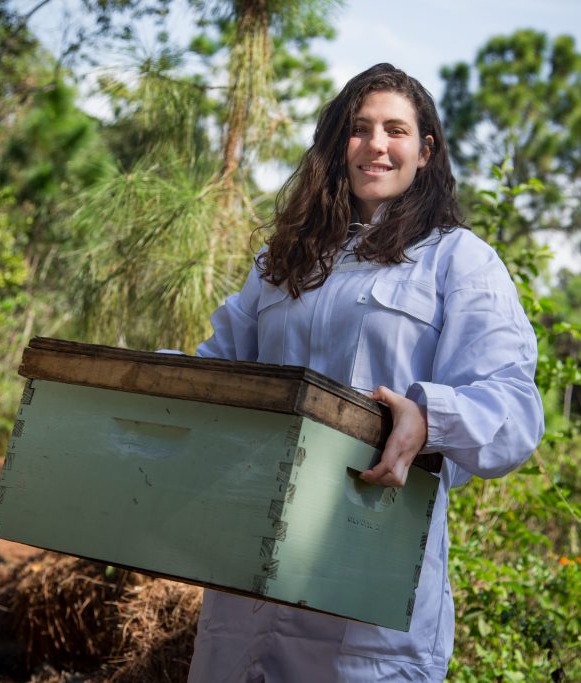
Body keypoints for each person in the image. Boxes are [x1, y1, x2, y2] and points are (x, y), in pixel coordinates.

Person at [188, 63, 544, 682]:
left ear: (425, 151)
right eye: (359, 129)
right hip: (248, 581)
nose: (376, 145)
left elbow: (514, 409)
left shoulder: (459, 260)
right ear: (337, 144)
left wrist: (428, 418)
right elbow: (216, 370)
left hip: (368, 600)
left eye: (396, 130)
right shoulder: (281, 259)